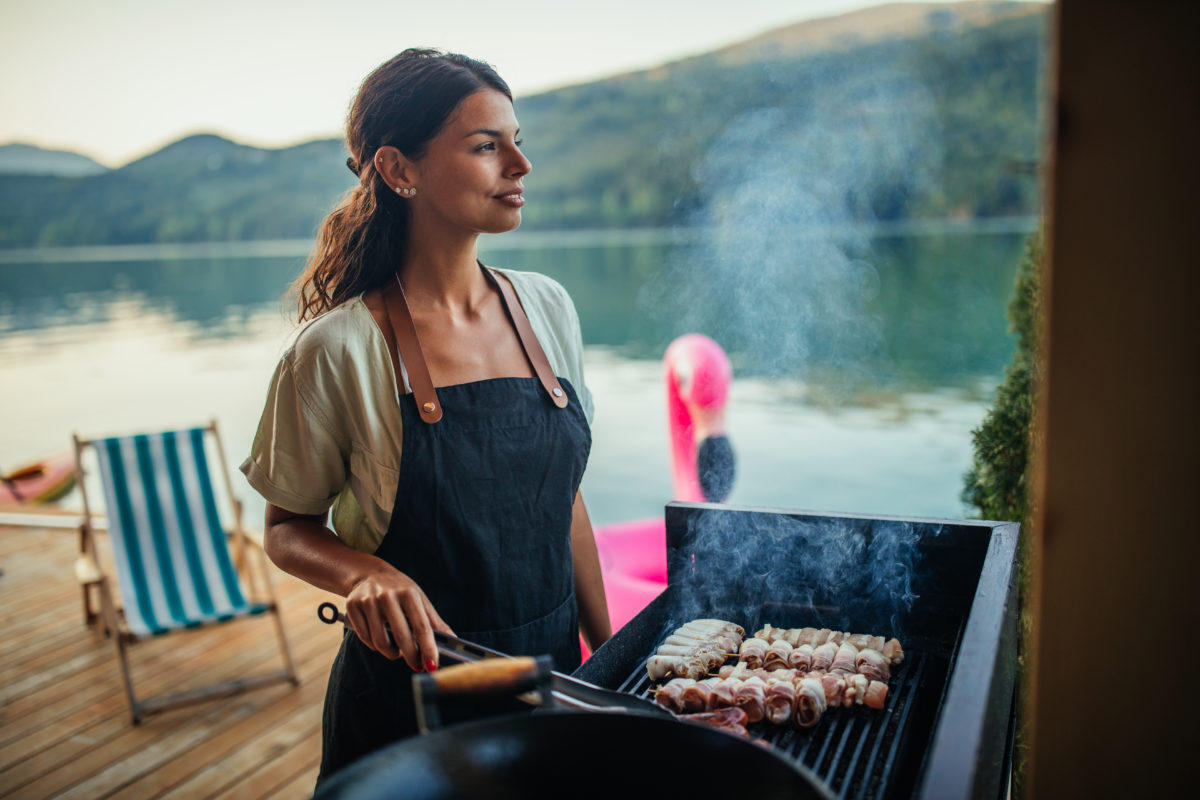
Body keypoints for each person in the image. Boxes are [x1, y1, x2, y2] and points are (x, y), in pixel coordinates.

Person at [239, 48, 611, 783]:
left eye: (517, 140)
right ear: (398, 169)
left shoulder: (547, 307)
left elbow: (560, 502)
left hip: (555, 688)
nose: (519, 165)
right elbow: (286, 531)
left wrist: (614, 661)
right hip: (411, 715)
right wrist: (363, 574)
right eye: (485, 145)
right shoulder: (336, 350)